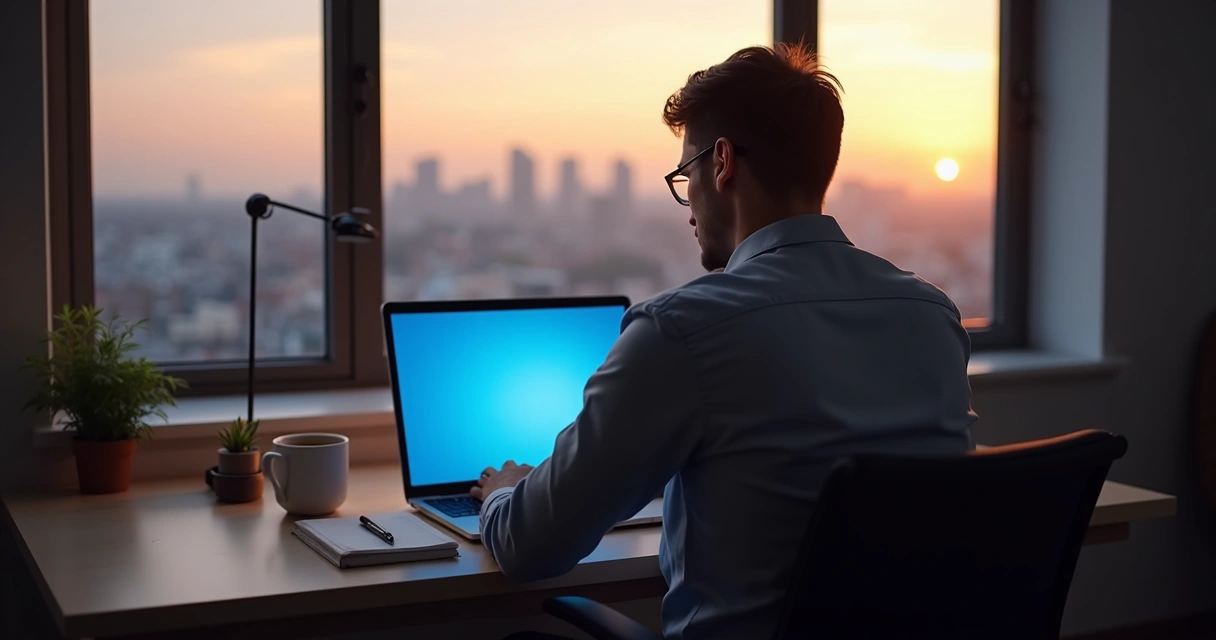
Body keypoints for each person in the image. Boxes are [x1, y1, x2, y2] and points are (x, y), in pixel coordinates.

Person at [473, 42, 977, 639]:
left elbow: (532, 547)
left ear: (722, 163)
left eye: (685, 178)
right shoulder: (932, 314)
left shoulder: (682, 330)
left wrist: (503, 494)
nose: (688, 211)